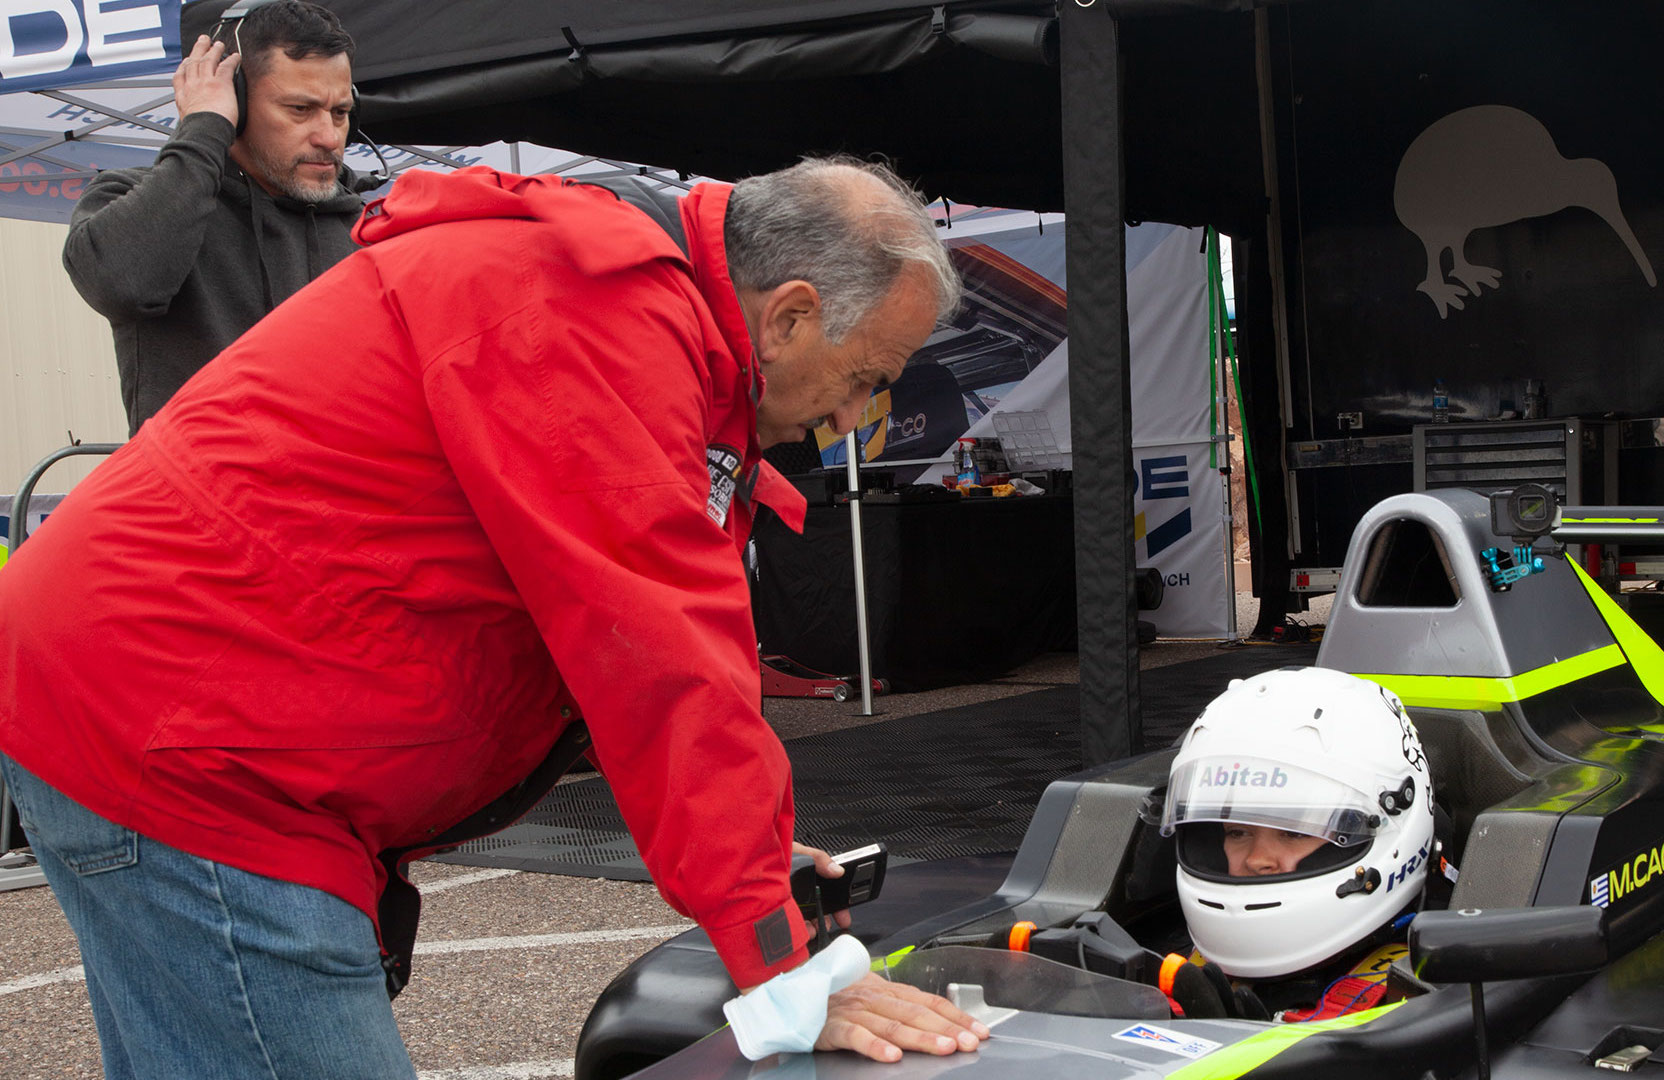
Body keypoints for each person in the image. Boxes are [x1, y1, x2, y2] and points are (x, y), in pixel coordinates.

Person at [0, 155, 987, 1077]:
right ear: (790, 315)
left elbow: (583, 640)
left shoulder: (634, 311)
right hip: (190, 749)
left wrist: (753, 858)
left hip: (151, 708)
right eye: (866, 377)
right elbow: (662, 659)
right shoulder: (595, 317)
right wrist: (787, 958)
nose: (850, 416)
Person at [63, 1, 366, 435]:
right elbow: (121, 284)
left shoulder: (371, 226)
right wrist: (204, 127)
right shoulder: (135, 197)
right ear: (235, 101)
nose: (329, 137)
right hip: (201, 498)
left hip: (344, 497)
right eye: (300, 109)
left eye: (340, 113)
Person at [1158, 666, 1437, 1020]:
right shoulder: (1167, 962)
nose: (1258, 859)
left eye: (1294, 832)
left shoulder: (1433, 1002)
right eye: (1237, 832)